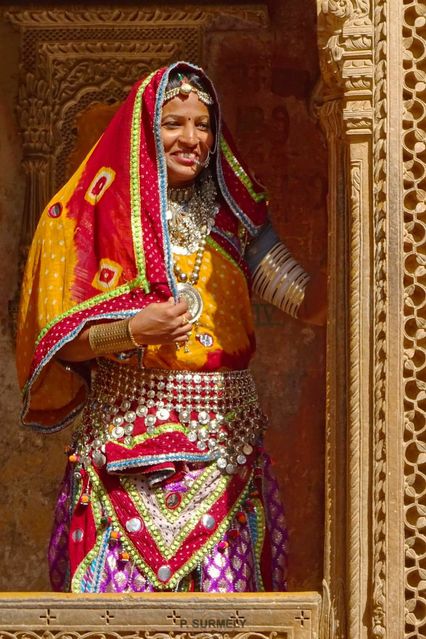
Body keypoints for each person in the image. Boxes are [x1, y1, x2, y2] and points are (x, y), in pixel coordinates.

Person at [16, 61, 325, 593]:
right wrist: (133, 330)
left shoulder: (236, 217)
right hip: (122, 451)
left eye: (203, 124)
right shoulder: (95, 214)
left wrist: (377, 231)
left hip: (224, 453)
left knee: (225, 610)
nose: (191, 138)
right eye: (174, 123)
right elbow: (62, 341)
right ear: (145, 130)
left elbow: (307, 302)